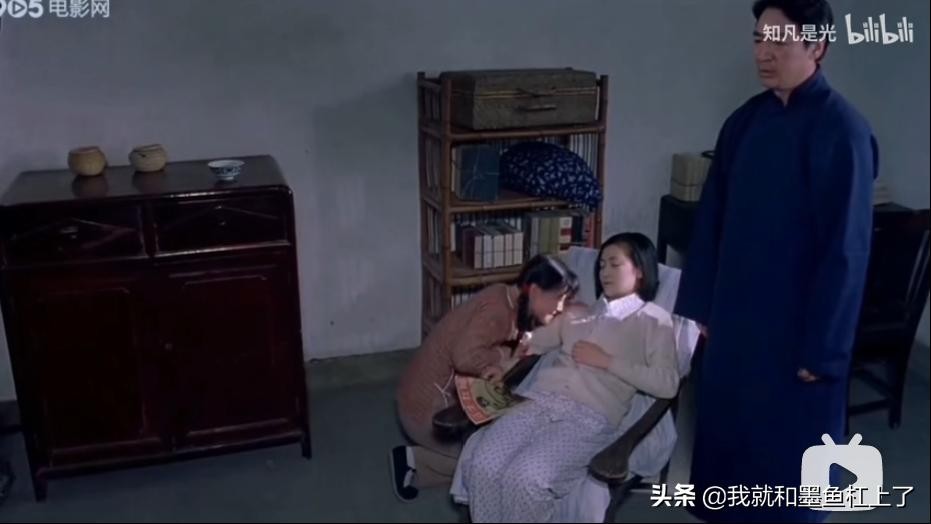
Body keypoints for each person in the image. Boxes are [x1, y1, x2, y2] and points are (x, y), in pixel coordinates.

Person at [674, 0, 878, 521]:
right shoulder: (744, 123)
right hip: (735, 327)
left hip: (797, 336)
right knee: (727, 464)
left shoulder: (844, 132)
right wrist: (702, 309)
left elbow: (847, 252)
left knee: (790, 477)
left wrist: (824, 351)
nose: (764, 52)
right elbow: (711, 220)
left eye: (780, 40)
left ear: (817, 46)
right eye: (759, 38)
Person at [462, 233, 679, 522]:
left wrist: (608, 362)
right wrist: (504, 366)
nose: (604, 272)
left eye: (614, 264)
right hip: (536, 402)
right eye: (601, 265)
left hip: (588, 416)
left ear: (639, 270)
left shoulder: (654, 321)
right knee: (483, 464)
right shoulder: (578, 313)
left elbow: (667, 383)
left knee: (527, 477)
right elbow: (534, 346)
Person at [391, 254, 579, 501]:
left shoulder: (503, 295)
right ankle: (413, 460)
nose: (560, 308)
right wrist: (502, 355)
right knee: (488, 466)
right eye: (558, 298)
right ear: (534, 291)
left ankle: (418, 460)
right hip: (425, 410)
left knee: (492, 454)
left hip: (418, 395)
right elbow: (464, 356)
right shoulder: (497, 312)